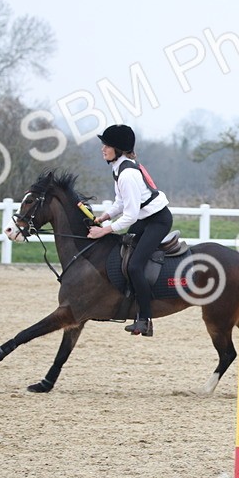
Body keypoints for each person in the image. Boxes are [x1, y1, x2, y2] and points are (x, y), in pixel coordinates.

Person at [86, 124, 172, 337]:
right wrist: (105, 216)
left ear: (119, 149)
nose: (103, 149)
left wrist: (104, 230)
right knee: (122, 253)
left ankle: (144, 319)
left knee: (134, 266)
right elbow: (120, 202)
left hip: (157, 221)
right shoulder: (119, 168)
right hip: (145, 218)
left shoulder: (127, 175)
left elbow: (130, 216)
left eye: (107, 146)